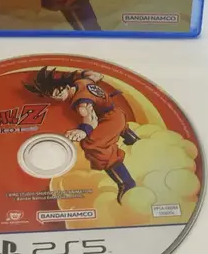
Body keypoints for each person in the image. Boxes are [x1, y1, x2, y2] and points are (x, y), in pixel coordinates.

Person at [24, 66, 139, 202]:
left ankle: (126, 182)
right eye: (52, 96)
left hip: (111, 119)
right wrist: (82, 72)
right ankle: (132, 138)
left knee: (93, 144)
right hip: (116, 113)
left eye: (58, 93)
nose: (56, 98)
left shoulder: (81, 103)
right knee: (111, 127)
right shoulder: (83, 81)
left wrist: (83, 131)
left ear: (66, 86)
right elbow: (95, 75)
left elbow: (90, 119)